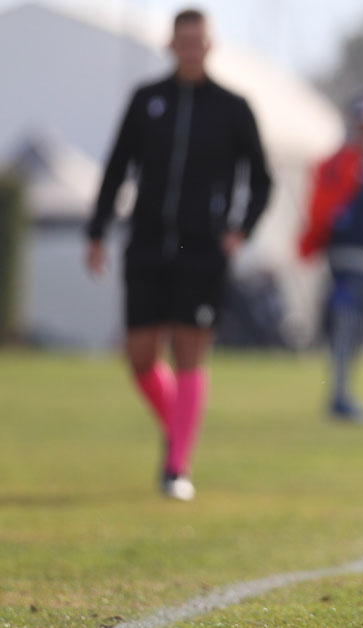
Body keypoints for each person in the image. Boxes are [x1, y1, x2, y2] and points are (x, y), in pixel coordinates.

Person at [85, 8, 272, 501]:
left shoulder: (233, 107)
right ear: (171, 44)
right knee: (140, 356)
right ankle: (180, 428)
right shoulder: (147, 100)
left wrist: (240, 229)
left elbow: (262, 180)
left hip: (202, 250)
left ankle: (176, 466)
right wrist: (97, 231)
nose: (191, 49)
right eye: (183, 41)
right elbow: (117, 167)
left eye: (199, 41)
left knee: (189, 353)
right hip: (146, 244)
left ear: (209, 46)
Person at [298, 92, 363, 423]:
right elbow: (323, 210)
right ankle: (339, 397)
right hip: (345, 258)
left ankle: (343, 393)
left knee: (357, 329)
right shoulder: (342, 163)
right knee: (344, 324)